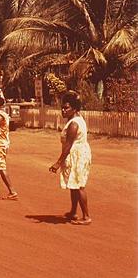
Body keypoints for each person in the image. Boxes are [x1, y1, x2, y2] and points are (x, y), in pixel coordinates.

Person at [49, 91, 92, 225]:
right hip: (76, 154)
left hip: (77, 156)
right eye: (62, 107)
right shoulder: (75, 120)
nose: (63, 110)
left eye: (66, 107)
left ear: (74, 108)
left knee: (79, 185)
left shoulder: (74, 124)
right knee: (73, 184)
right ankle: (73, 212)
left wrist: (58, 163)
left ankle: (86, 216)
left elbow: (68, 146)